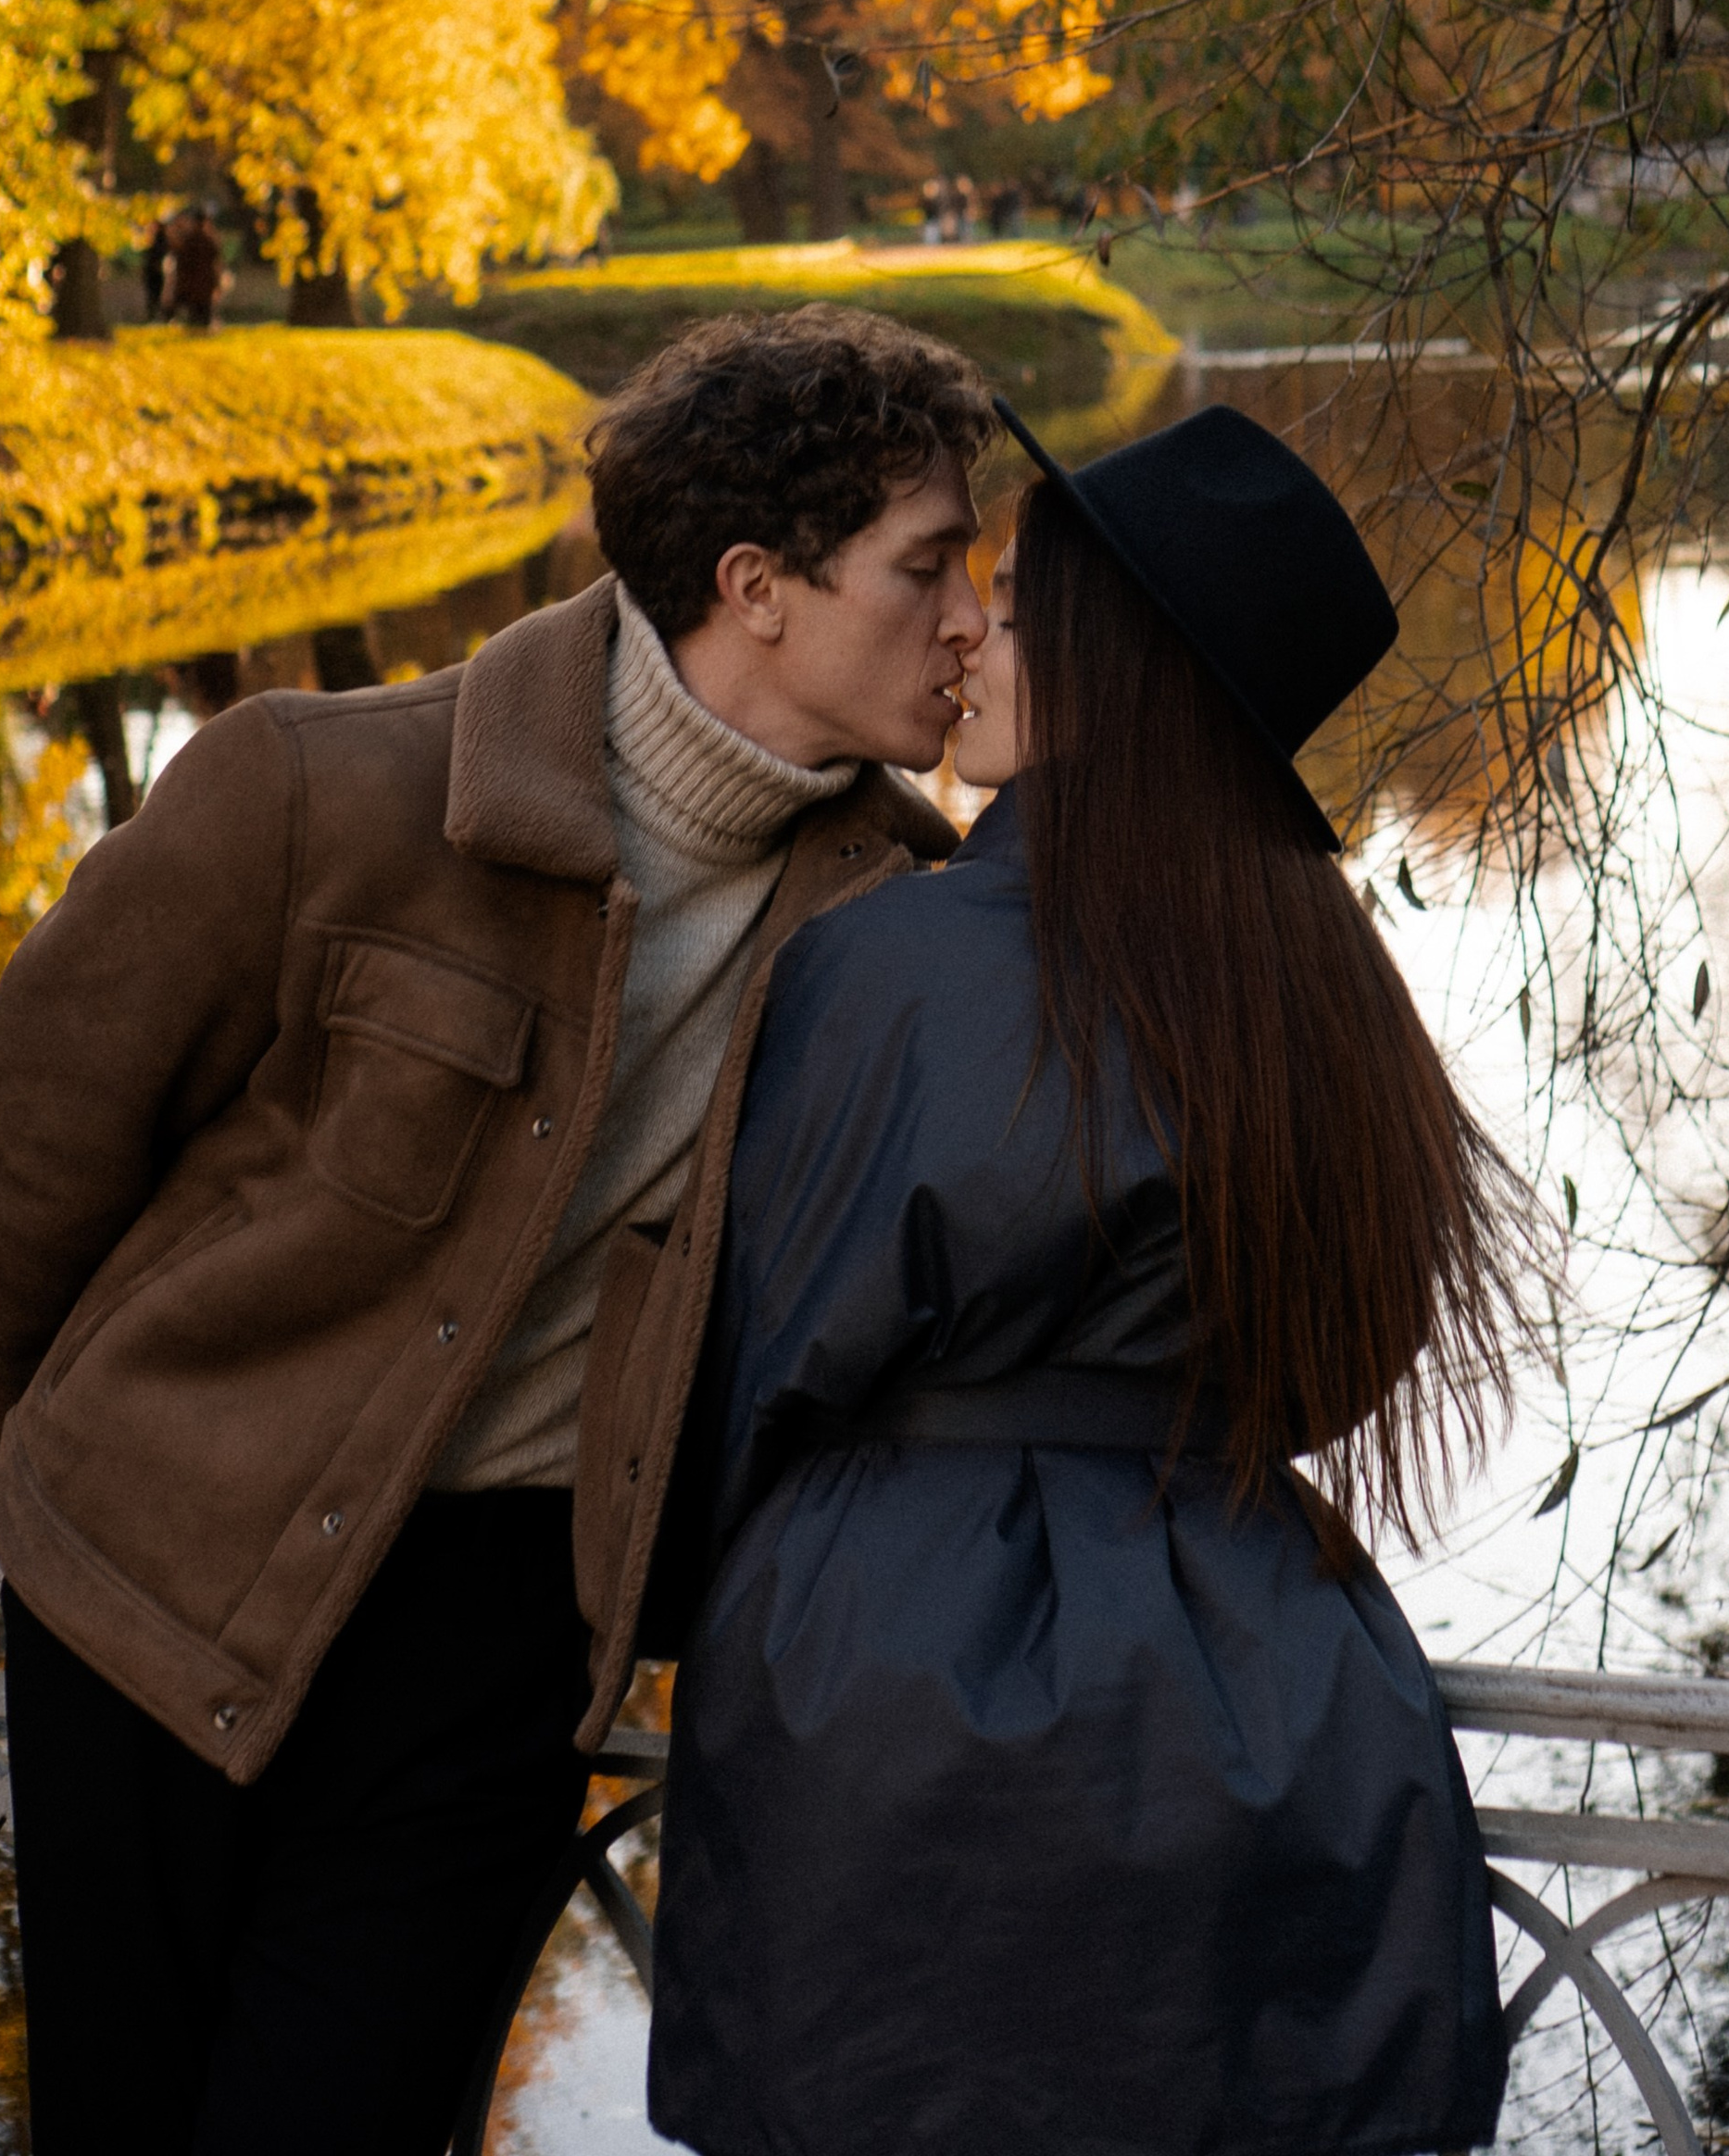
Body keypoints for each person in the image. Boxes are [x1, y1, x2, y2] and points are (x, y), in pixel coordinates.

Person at [0, 308, 994, 2156]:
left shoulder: (900, 924)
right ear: (758, 586)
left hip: (502, 1652)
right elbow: (45, 1138)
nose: (974, 621)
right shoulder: (314, 784)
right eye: (929, 569)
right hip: (158, 1570)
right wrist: (60, 1478)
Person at [649, 397, 1536, 2156]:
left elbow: (758, 1358)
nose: (966, 640)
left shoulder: (893, 969)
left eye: (1012, 612)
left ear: (1113, 674)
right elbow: (1350, 1355)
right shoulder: (1331, 993)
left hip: (890, 1705)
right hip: (1265, 1683)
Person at [164, 200, 224, 327]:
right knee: (201, 319)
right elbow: (217, 264)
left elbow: (175, 250)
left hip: (189, 288)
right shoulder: (208, 241)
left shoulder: (189, 241)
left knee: (192, 319)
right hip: (203, 288)